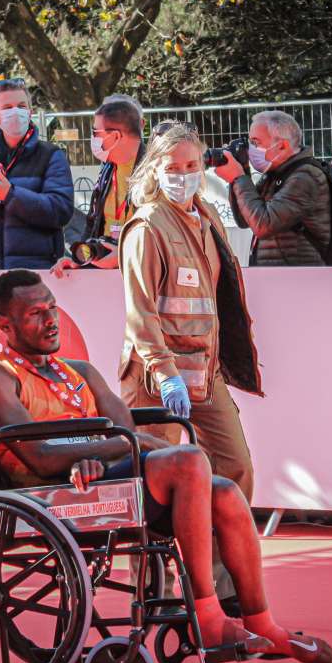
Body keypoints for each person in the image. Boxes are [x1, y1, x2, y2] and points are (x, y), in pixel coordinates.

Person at [0, 269, 332, 663]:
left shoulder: (82, 373)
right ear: (5, 324)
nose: (50, 320)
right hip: (52, 496)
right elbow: (40, 456)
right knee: (185, 460)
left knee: (226, 493)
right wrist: (109, 448)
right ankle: (209, 616)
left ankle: (261, 622)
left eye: (53, 308)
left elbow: (124, 432)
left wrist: (104, 450)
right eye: (35, 313)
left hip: (104, 480)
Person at [119, 123, 261, 501]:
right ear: (154, 169)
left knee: (235, 467)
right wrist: (165, 373)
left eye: (191, 165)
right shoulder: (147, 226)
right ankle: (152, 563)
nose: (183, 175)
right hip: (155, 379)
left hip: (203, 371)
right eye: (173, 167)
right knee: (152, 481)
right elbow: (141, 311)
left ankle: (222, 559)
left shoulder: (208, 215)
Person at [0, 78, 74, 269]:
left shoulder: (51, 155)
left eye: (21, 106)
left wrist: (9, 195)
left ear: (30, 112)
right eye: (7, 107)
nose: (15, 112)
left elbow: (61, 211)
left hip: (36, 270)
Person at [218, 110, 330, 266]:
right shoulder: (276, 174)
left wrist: (238, 178)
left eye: (256, 142)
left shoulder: (304, 177)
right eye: (250, 142)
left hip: (299, 277)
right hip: (279, 274)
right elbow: (245, 220)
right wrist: (241, 170)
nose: (251, 149)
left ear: (282, 146)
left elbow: (263, 225)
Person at [51, 96, 145, 277]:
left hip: (140, 272)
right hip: (105, 270)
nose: (92, 139)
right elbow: (94, 222)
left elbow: (164, 234)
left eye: (96, 132)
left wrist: (125, 255)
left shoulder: (157, 169)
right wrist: (81, 258)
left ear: (116, 136)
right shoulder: (108, 167)